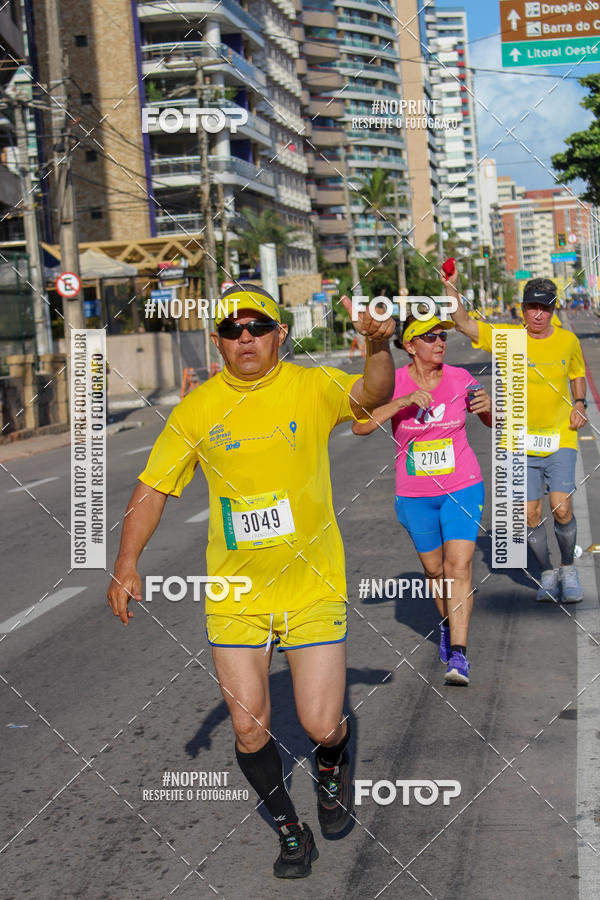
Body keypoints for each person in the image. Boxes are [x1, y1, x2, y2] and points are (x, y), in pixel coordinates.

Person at [107, 284, 395, 878]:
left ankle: (333, 764)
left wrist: (376, 348)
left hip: (311, 586)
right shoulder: (198, 408)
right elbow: (155, 487)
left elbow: (374, 393)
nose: (246, 338)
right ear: (218, 341)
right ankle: (293, 834)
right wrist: (126, 560)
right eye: (233, 329)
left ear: (279, 334)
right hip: (234, 593)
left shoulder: (311, 387)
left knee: (320, 723)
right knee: (247, 724)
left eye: (257, 327)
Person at [353, 312, 492, 686]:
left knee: (458, 567)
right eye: (429, 337)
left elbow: (493, 422)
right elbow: (360, 425)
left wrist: (489, 408)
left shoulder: (460, 378)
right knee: (435, 572)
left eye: (442, 336)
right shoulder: (391, 383)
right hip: (415, 494)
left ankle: (460, 655)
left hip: (462, 484)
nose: (439, 343)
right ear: (410, 346)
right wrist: (402, 403)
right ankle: (448, 625)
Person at [444, 273, 588, 603]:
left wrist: (579, 403)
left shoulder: (568, 341)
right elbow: (464, 323)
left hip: (559, 437)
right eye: (531, 307)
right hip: (518, 442)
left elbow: (577, 374)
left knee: (561, 507)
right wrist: (450, 287)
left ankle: (569, 568)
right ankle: (549, 573)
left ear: (553, 311)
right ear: (521, 309)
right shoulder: (507, 339)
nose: (537, 314)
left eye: (544, 308)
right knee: (530, 514)